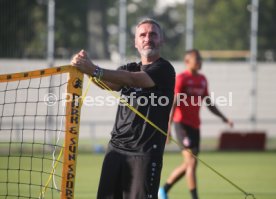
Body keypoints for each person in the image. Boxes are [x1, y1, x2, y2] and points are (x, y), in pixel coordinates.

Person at [71, 18, 175, 199]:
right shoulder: (128, 68)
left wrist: (93, 69)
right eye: (142, 35)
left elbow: (133, 79)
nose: (147, 38)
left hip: (145, 152)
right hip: (116, 149)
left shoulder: (164, 69)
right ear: (136, 42)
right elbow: (109, 84)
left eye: (153, 34)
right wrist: (84, 67)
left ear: (161, 40)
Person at [158, 49, 233, 199]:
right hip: (182, 125)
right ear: (187, 62)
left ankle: (164, 189)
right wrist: (168, 127)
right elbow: (173, 103)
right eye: (196, 59)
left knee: (189, 164)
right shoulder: (181, 79)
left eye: (200, 59)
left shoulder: (203, 79)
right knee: (191, 162)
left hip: (195, 127)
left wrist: (224, 118)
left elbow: (208, 103)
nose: (200, 62)